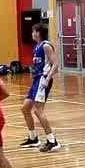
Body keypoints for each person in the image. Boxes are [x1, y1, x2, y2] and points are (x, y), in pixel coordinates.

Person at [20, 23, 61, 153]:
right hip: (37, 79)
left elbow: (55, 64)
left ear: (38, 32)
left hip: (43, 80)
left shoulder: (46, 46)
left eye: (33, 31)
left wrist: (47, 79)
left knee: (38, 111)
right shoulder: (37, 47)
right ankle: (33, 138)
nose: (32, 34)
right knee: (25, 108)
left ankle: (52, 141)